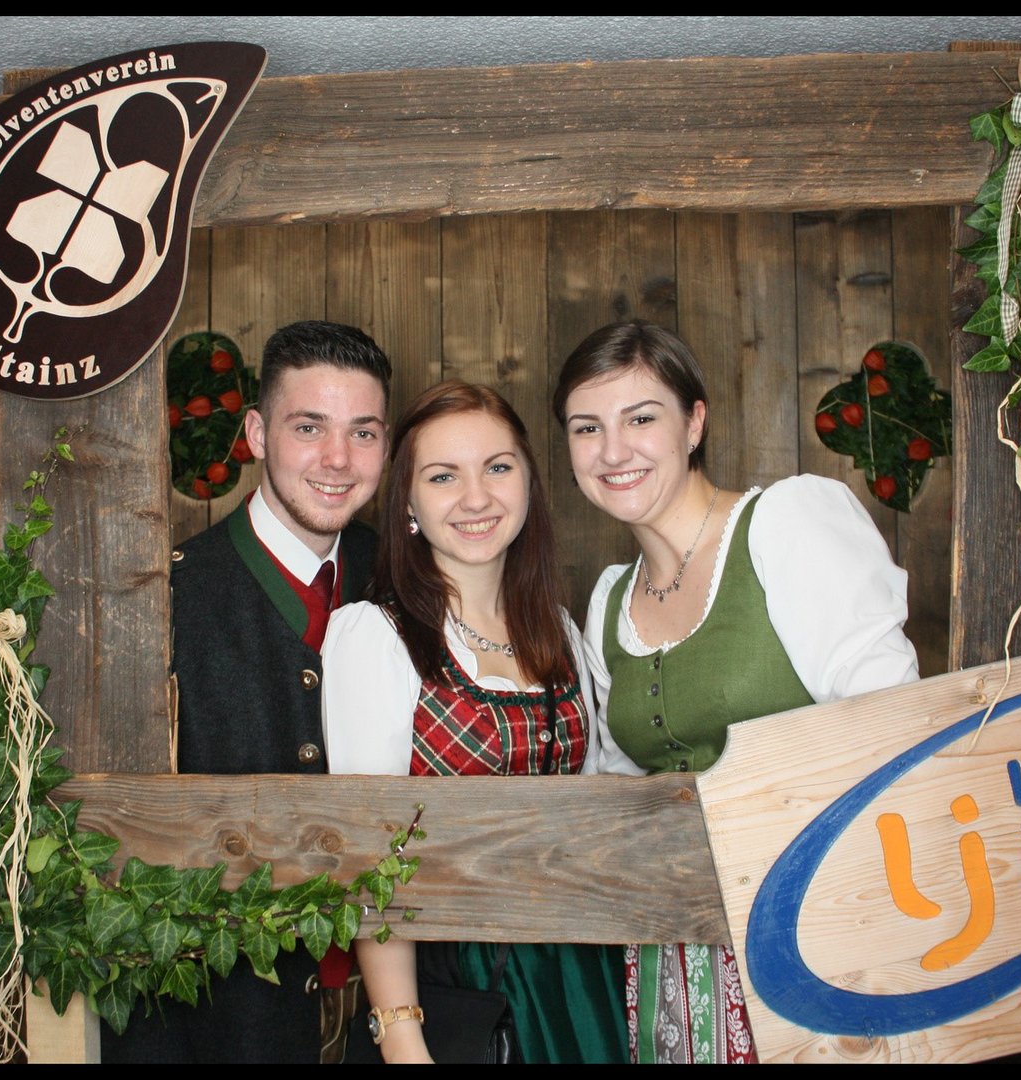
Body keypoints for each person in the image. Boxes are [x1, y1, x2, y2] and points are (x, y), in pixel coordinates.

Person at [552, 321, 919, 1064]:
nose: (613, 451)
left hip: (819, 927)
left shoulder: (785, 525)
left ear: (694, 423)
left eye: (641, 418)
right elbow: (620, 784)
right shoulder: (609, 598)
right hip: (675, 954)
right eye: (587, 427)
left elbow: (895, 728)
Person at [103, 320, 393, 1063]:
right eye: (309, 427)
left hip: (390, 1017)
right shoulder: (164, 601)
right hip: (227, 1029)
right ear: (258, 434)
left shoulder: (404, 574)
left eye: (363, 432)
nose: (338, 458)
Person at [322, 381, 628, 1065]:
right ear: (407, 503)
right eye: (443, 476)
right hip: (454, 988)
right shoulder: (377, 636)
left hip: (579, 979)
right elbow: (373, 859)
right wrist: (402, 1036)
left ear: (528, 481)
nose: (476, 497)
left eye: (497, 467)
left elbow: (596, 814)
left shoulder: (560, 631)